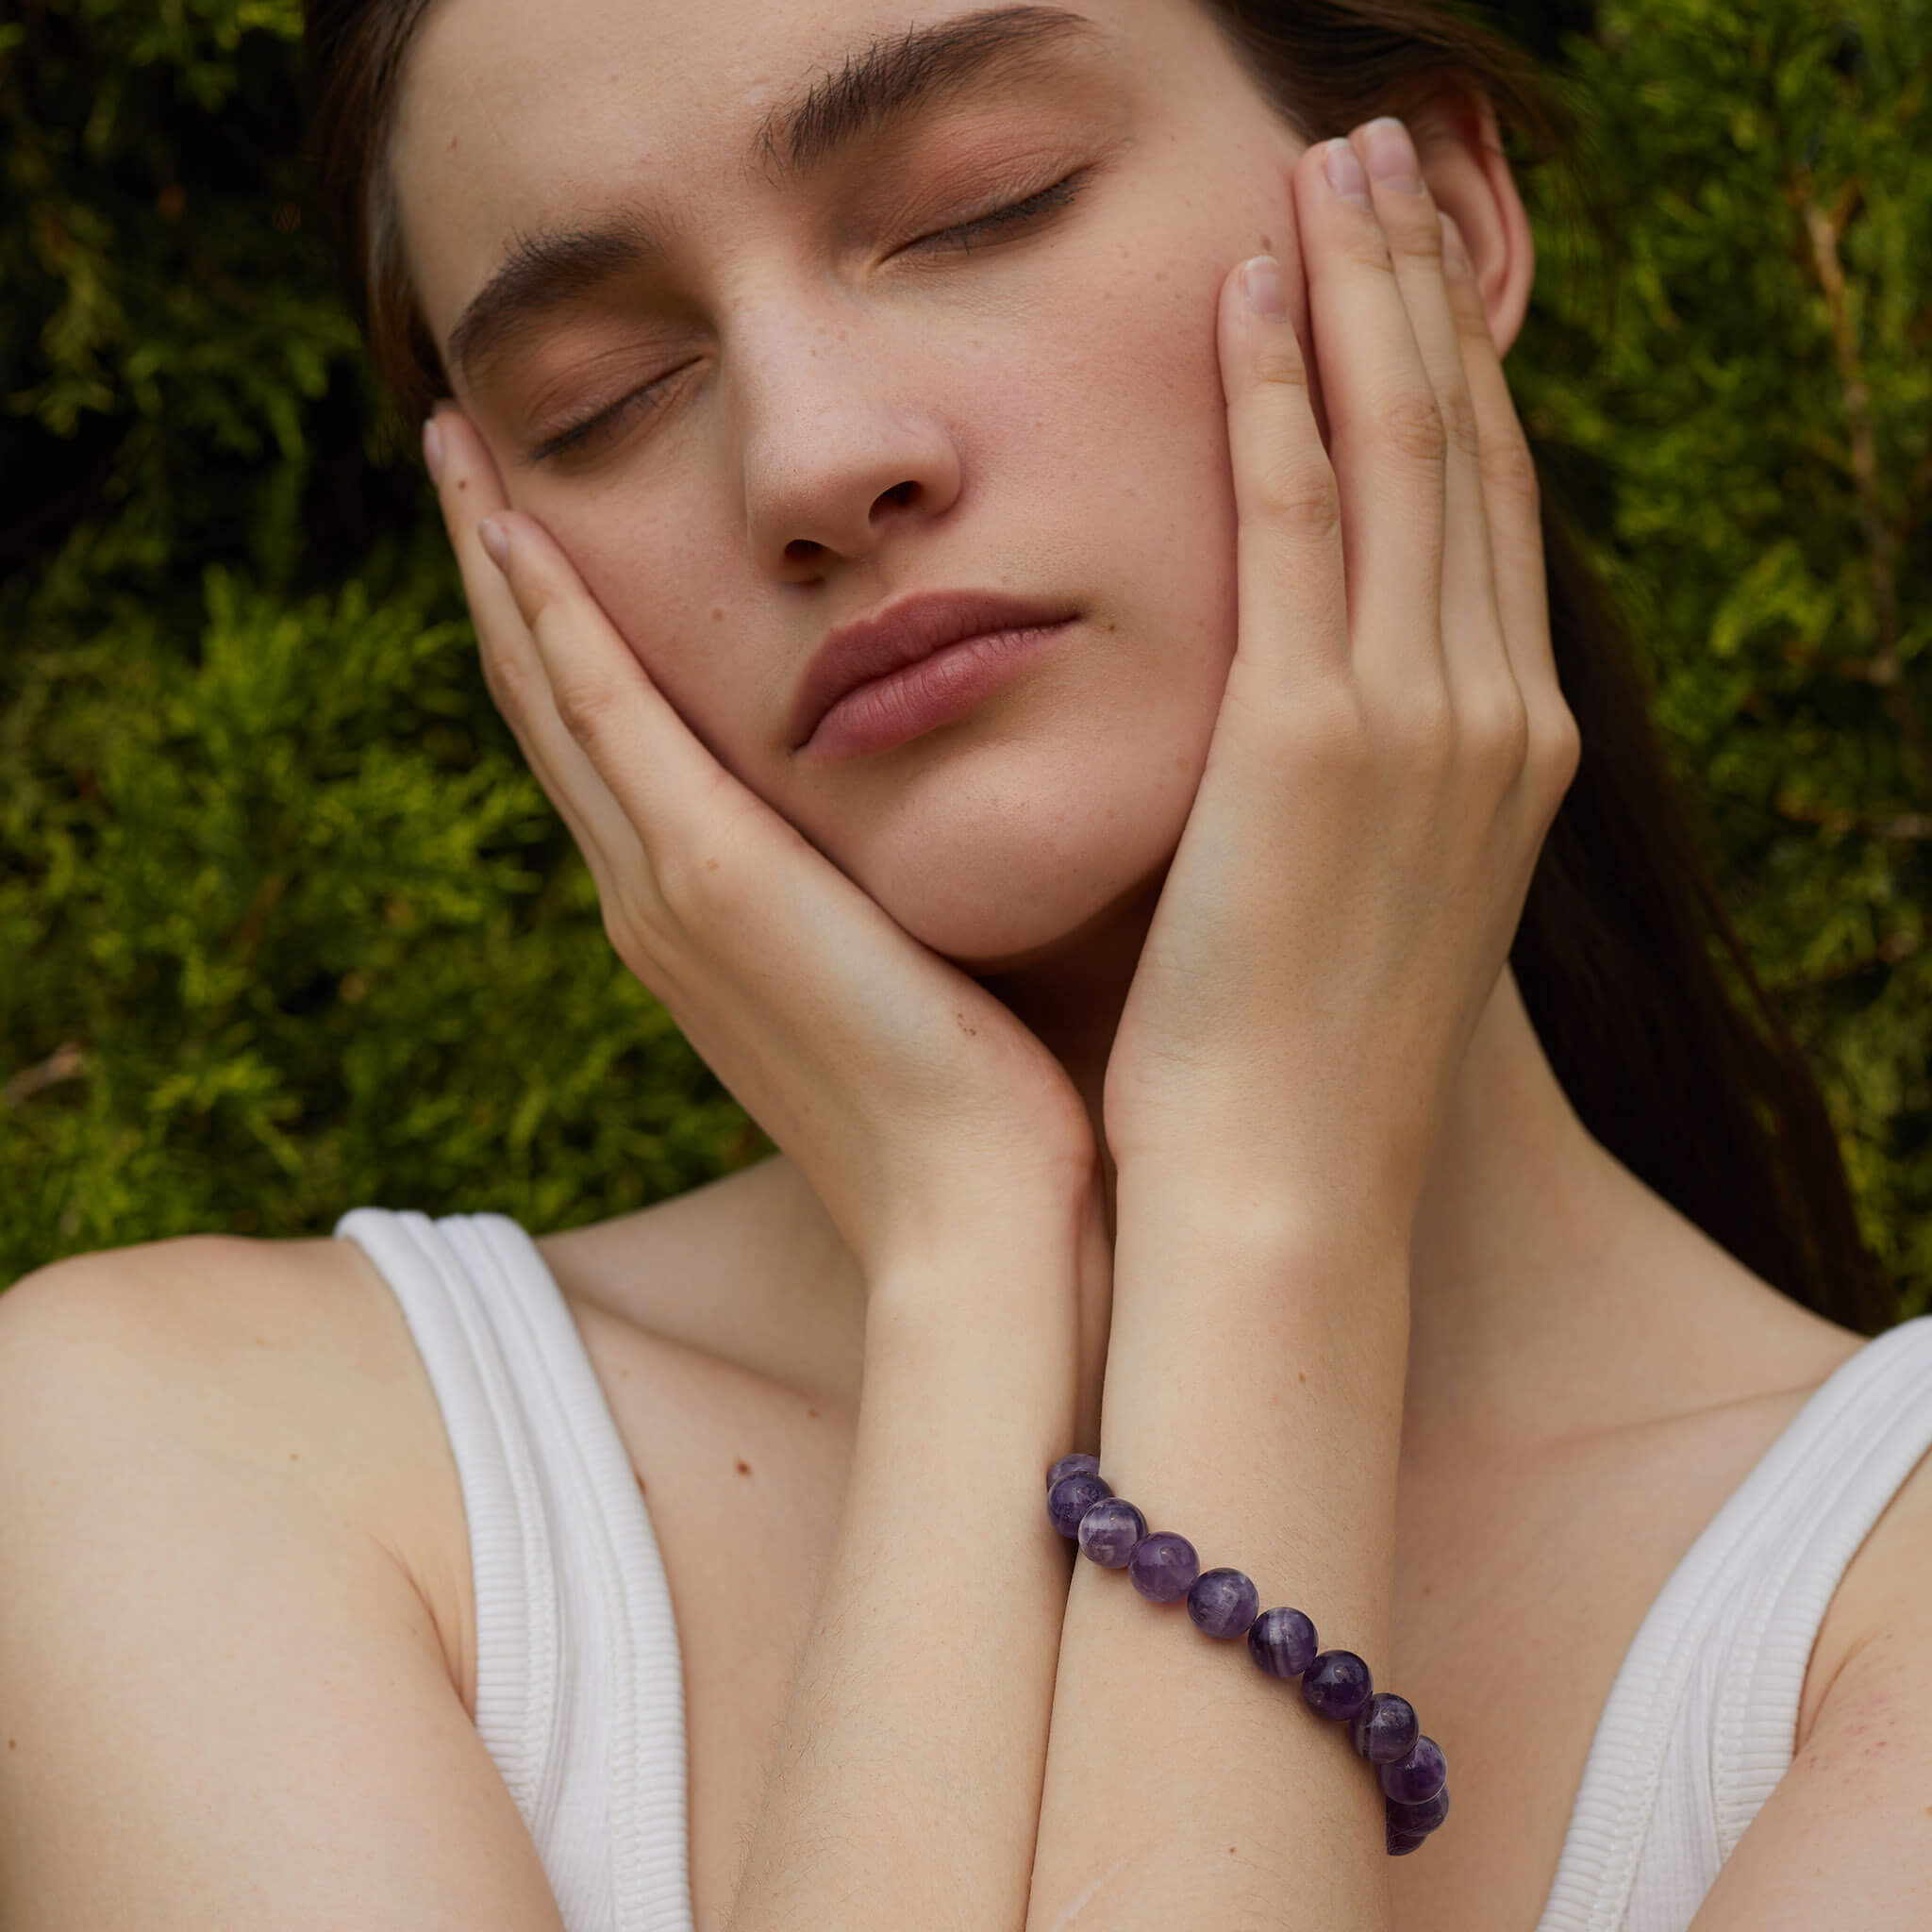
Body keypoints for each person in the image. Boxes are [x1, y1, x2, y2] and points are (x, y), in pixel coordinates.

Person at [1, 0, 1927, 1926]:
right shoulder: (192, 1465)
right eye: (600, 393)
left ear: (1432, 215)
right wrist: (966, 1253)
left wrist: (1264, 1200)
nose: (814, 459)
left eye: (978, 208)